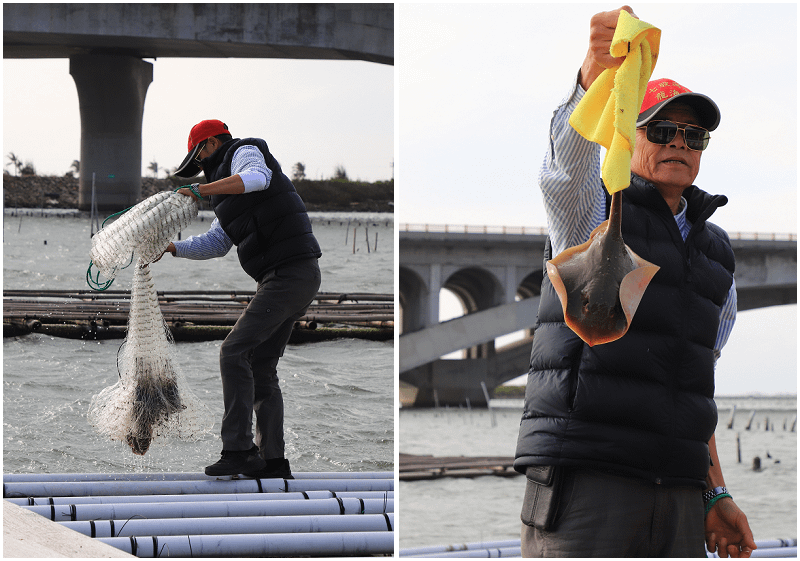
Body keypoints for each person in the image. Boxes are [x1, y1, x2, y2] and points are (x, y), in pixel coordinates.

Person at [513, 6, 756, 558]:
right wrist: (592, 78)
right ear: (629, 131)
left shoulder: (717, 254)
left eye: (695, 136)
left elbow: (696, 384)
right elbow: (566, 169)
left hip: (676, 490)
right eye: (663, 129)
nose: (680, 143)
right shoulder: (597, 212)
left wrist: (714, 492)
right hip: (587, 483)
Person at [162, 119, 322, 479]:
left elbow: (257, 178)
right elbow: (216, 243)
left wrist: (201, 190)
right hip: (290, 278)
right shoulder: (226, 197)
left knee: (232, 352)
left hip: (289, 274)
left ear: (212, 144)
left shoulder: (245, 151)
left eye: (199, 158)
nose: (199, 168)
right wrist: (172, 247)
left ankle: (238, 450)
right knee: (261, 368)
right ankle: (273, 463)